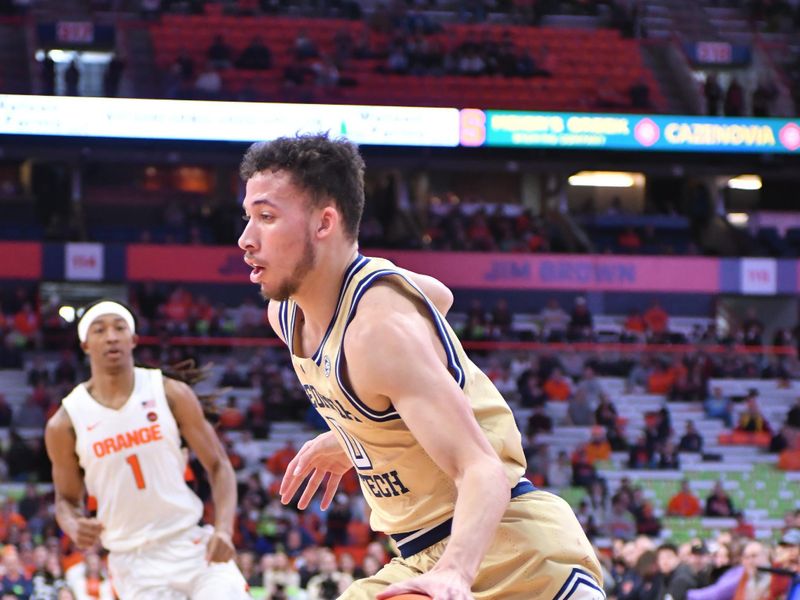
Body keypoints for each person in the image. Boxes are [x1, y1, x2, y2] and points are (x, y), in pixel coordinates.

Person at [237, 133, 604, 599]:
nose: (246, 239)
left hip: (511, 554)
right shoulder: (290, 314)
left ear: (325, 222)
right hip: (421, 553)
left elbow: (482, 472)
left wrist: (454, 573)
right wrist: (355, 434)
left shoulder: (379, 331)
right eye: (248, 217)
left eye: (266, 218)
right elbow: (440, 296)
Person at [44, 300, 249, 599]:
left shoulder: (168, 392)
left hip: (190, 542)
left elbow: (219, 465)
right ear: (85, 344)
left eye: (119, 328)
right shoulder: (65, 422)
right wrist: (74, 525)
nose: (111, 336)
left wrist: (223, 530)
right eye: (100, 330)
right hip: (132, 561)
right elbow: (65, 499)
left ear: (134, 339)